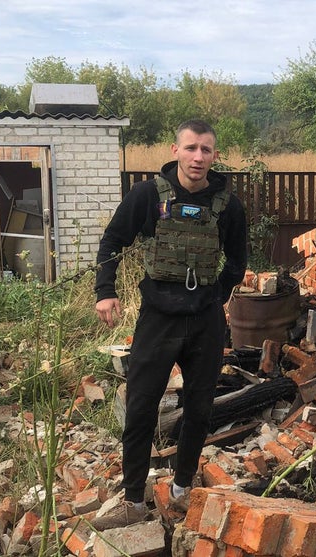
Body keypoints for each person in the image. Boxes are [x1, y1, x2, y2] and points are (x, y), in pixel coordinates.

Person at [92, 119, 247, 530]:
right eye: (191, 148)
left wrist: (217, 296)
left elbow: (237, 260)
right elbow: (112, 242)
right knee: (141, 408)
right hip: (158, 318)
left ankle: (182, 488)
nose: (199, 157)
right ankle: (133, 500)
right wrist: (104, 290)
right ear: (175, 150)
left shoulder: (227, 204)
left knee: (198, 408)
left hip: (205, 322)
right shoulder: (147, 195)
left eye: (207, 150)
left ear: (215, 155)